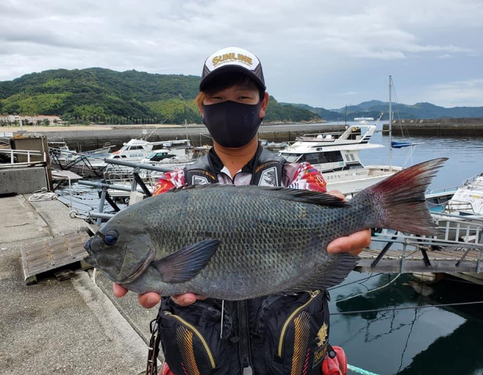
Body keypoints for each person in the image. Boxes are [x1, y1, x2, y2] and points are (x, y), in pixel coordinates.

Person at [113, 46, 371, 375]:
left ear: (262, 104)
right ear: (201, 107)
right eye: (217, 100)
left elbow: (327, 231)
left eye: (243, 98)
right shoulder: (172, 185)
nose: (229, 108)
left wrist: (353, 224)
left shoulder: (301, 178)